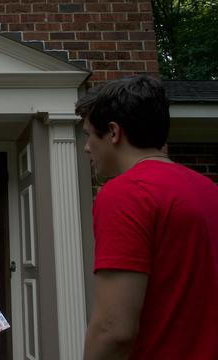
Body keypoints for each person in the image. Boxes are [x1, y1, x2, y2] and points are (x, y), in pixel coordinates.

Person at [77, 75, 218, 360]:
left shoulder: (126, 193)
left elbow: (113, 330)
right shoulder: (209, 191)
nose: (87, 147)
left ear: (114, 132)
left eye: (90, 134)